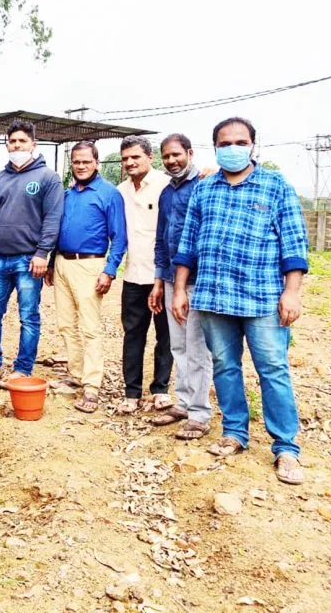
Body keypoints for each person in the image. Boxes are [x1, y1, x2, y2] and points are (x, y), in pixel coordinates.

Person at [173, 117, 309, 485]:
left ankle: (286, 448)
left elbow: (294, 245)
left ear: (253, 145)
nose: (233, 148)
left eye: (240, 141)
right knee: (225, 367)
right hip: (215, 297)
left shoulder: (275, 186)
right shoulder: (205, 189)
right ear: (215, 148)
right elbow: (188, 245)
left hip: (262, 298)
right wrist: (181, 288)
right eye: (225, 143)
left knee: (273, 370)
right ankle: (235, 432)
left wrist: (291, 292)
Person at [0, 120, 64, 387]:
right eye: (12, 142)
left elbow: (52, 218)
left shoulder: (48, 178)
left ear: (33, 144)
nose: (17, 146)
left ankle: (23, 368)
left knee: (28, 316)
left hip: (29, 260)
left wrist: (43, 253)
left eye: (22, 141)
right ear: (6, 145)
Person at [47, 141, 127, 413]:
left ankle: (91, 386)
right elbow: (57, 230)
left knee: (90, 327)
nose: (81, 166)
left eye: (86, 161)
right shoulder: (68, 194)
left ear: (97, 163)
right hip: (62, 263)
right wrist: (49, 264)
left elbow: (119, 237)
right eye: (76, 162)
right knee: (66, 324)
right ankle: (75, 374)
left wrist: (110, 269)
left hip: (90, 266)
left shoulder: (109, 193)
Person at [148, 134, 213, 439]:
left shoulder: (205, 185)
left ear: (190, 152)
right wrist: (160, 281)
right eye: (166, 157)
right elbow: (161, 240)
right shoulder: (166, 193)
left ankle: (200, 414)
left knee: (198, 347)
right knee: (179, 345)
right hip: (173, 280)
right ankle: (184, 403)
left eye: (176, 154)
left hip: (199, 281)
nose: (172, 161)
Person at [116, 135, 173, 415]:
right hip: (133, 276)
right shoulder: (121, 191)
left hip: (162, 276)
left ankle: (160, 389)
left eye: (135, 157)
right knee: (133, 334)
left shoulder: (166, 186)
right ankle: (131, 393)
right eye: (125, 158)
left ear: (150, 157)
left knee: (166, 335)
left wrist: (163, 278)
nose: (129, 163)